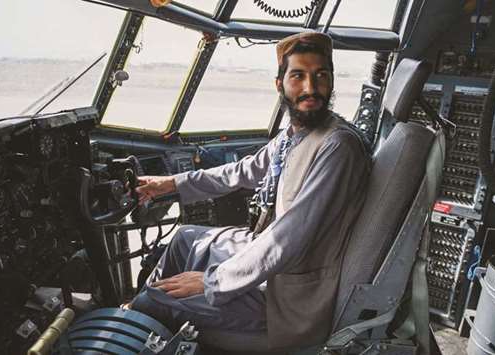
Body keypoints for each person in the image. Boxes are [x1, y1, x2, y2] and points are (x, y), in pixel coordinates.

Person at [129, 32, 371, 349]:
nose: (310, 88)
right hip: (269, 255)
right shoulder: (295, 134)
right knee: (184, 238)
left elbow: (289, 237)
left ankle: (138, 320)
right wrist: (171, 184)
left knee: (155, 300)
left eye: (320, 76)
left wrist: (211, 281)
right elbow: (243, 171)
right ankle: (138, 318)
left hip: (288, 294)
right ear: (280, 84)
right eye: (298, 76)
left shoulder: (337, 145)